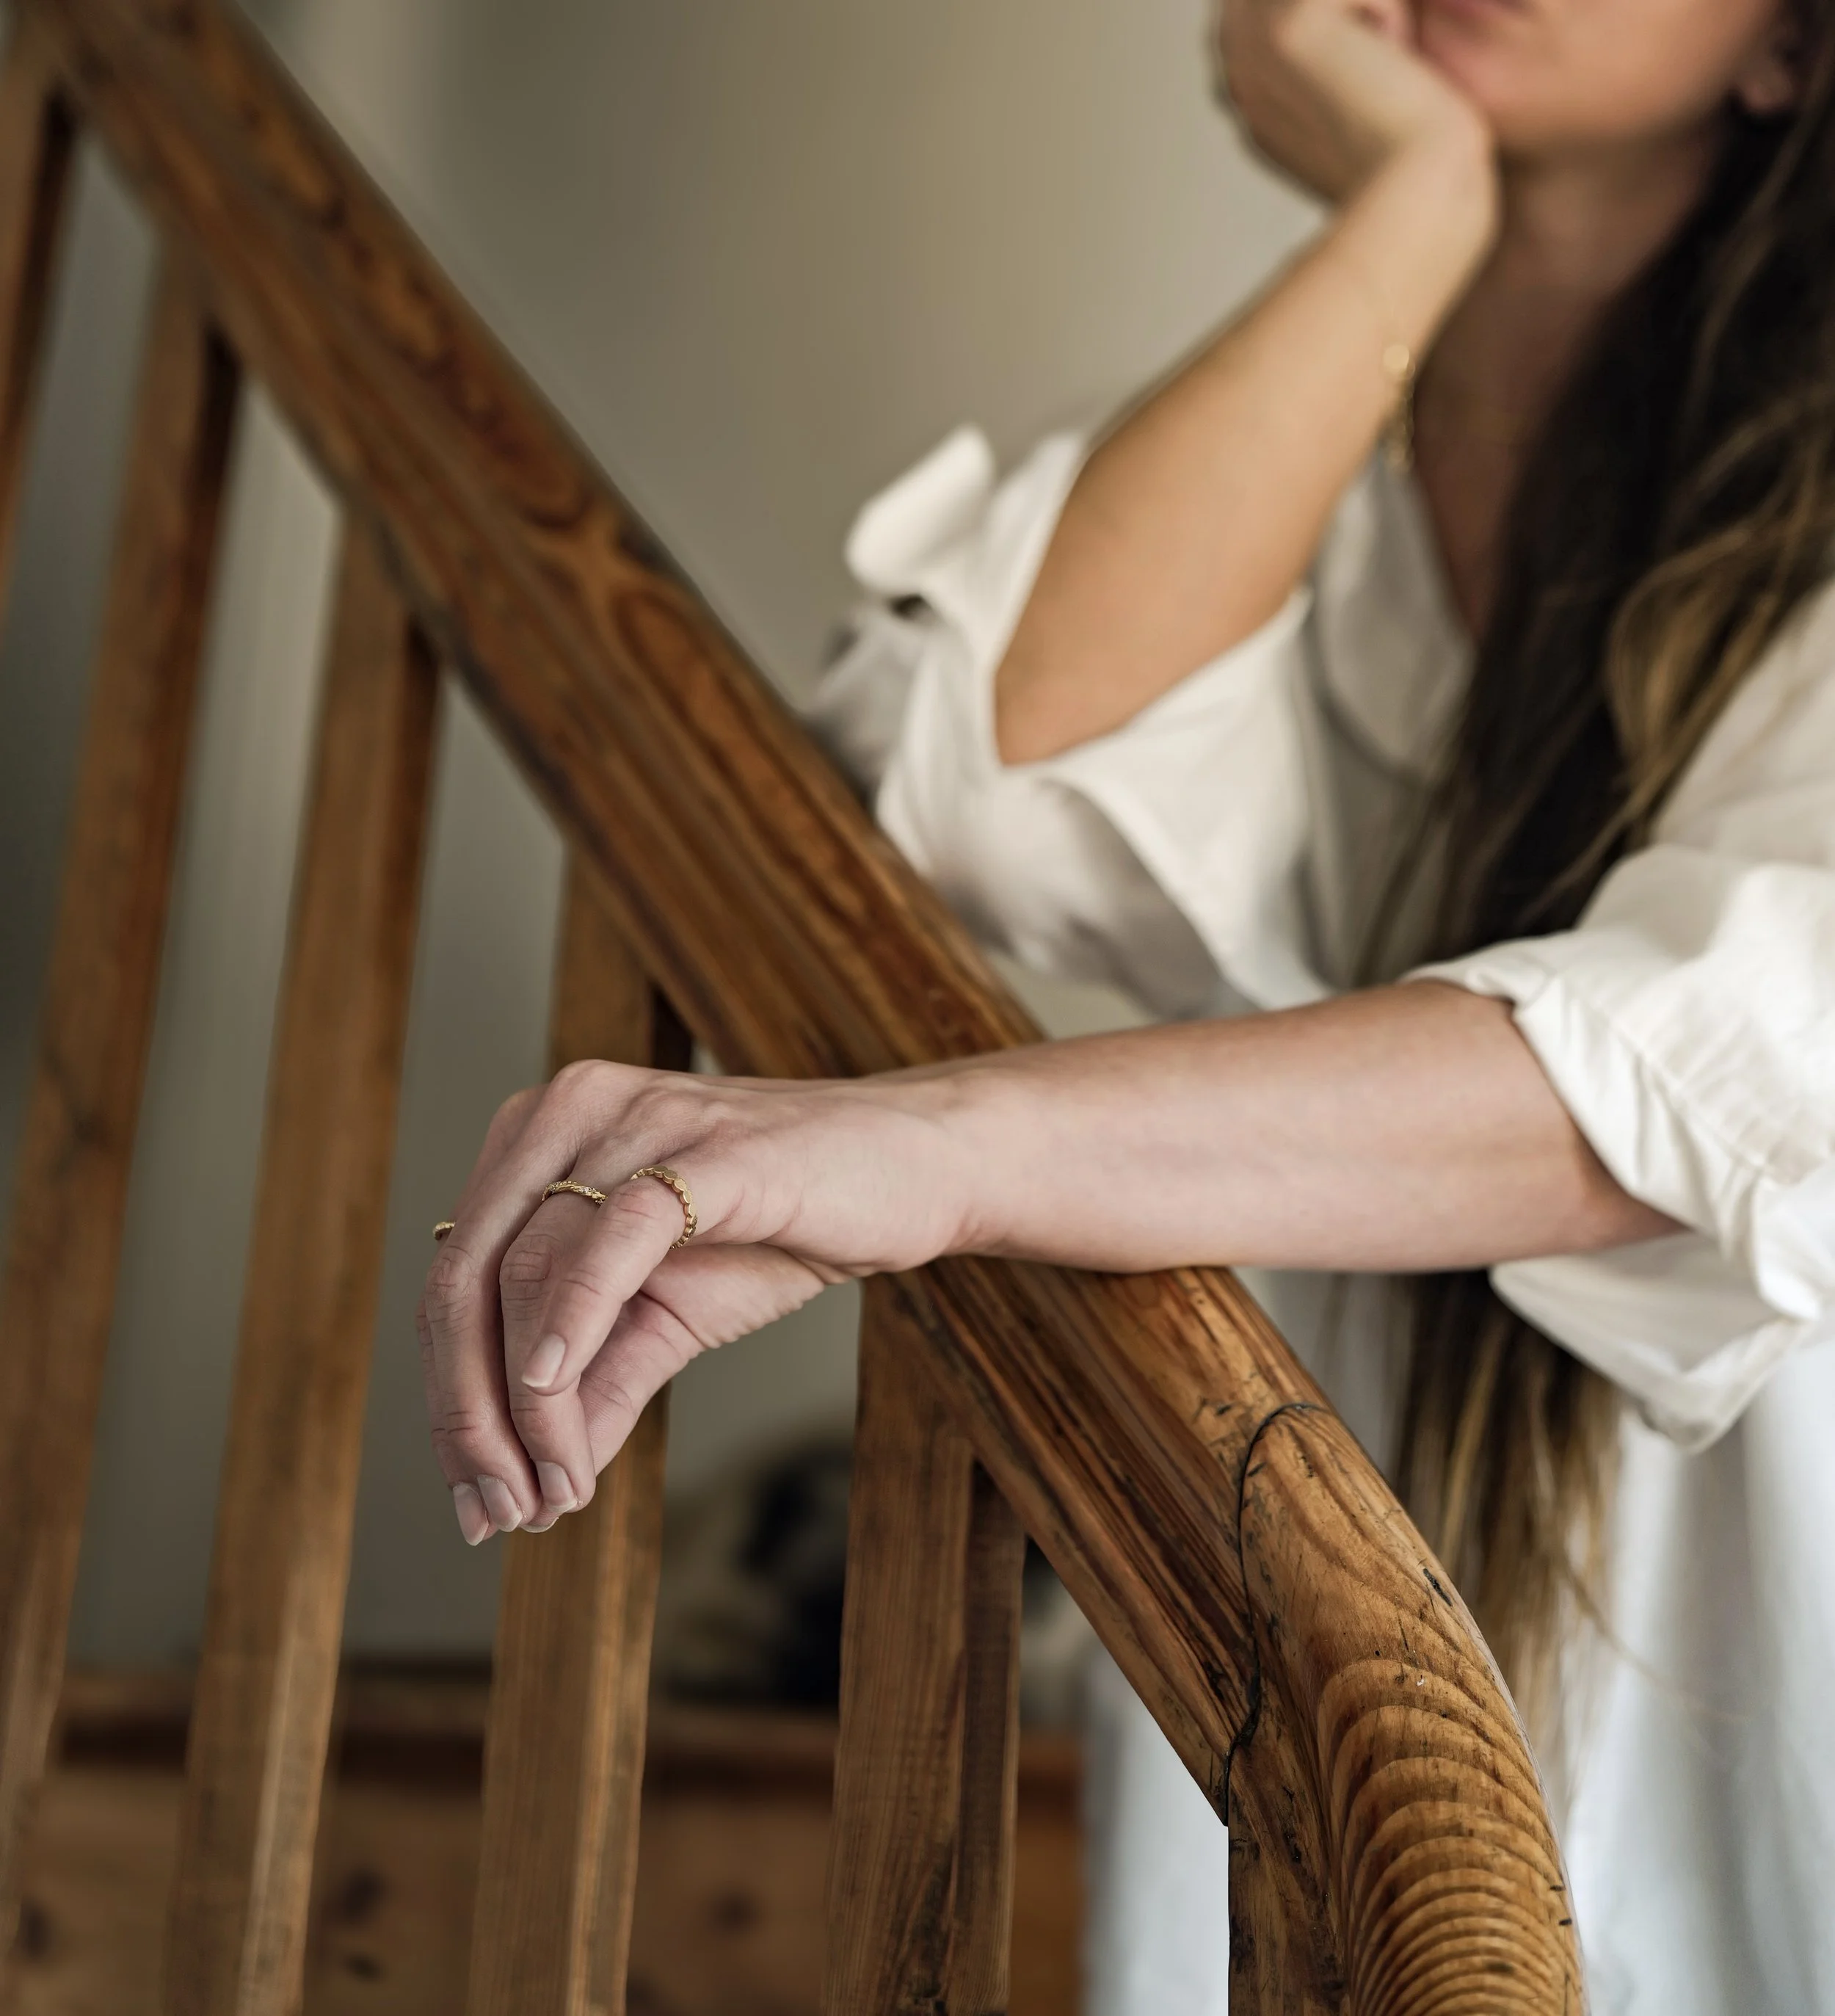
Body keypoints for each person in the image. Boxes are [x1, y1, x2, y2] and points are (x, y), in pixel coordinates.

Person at [417, 0, 1835, 2006]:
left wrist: (944, 1141)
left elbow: (1726, 1059)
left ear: (1787, 49)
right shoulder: (1321, 454)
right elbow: (963, 789)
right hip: (1326, 1727)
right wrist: (1409, 210)